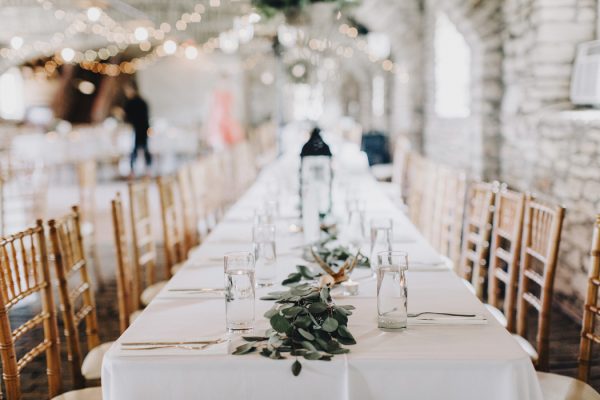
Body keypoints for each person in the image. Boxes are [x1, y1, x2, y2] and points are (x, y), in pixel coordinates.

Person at [123, 82, 152, 176]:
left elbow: (127, 118)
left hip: (136, 130)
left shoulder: (131, 103)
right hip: (143, 129)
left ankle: (133, 170)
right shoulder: (143, 101)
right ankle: (147, 169)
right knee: (143, 149)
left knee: (134, 150)